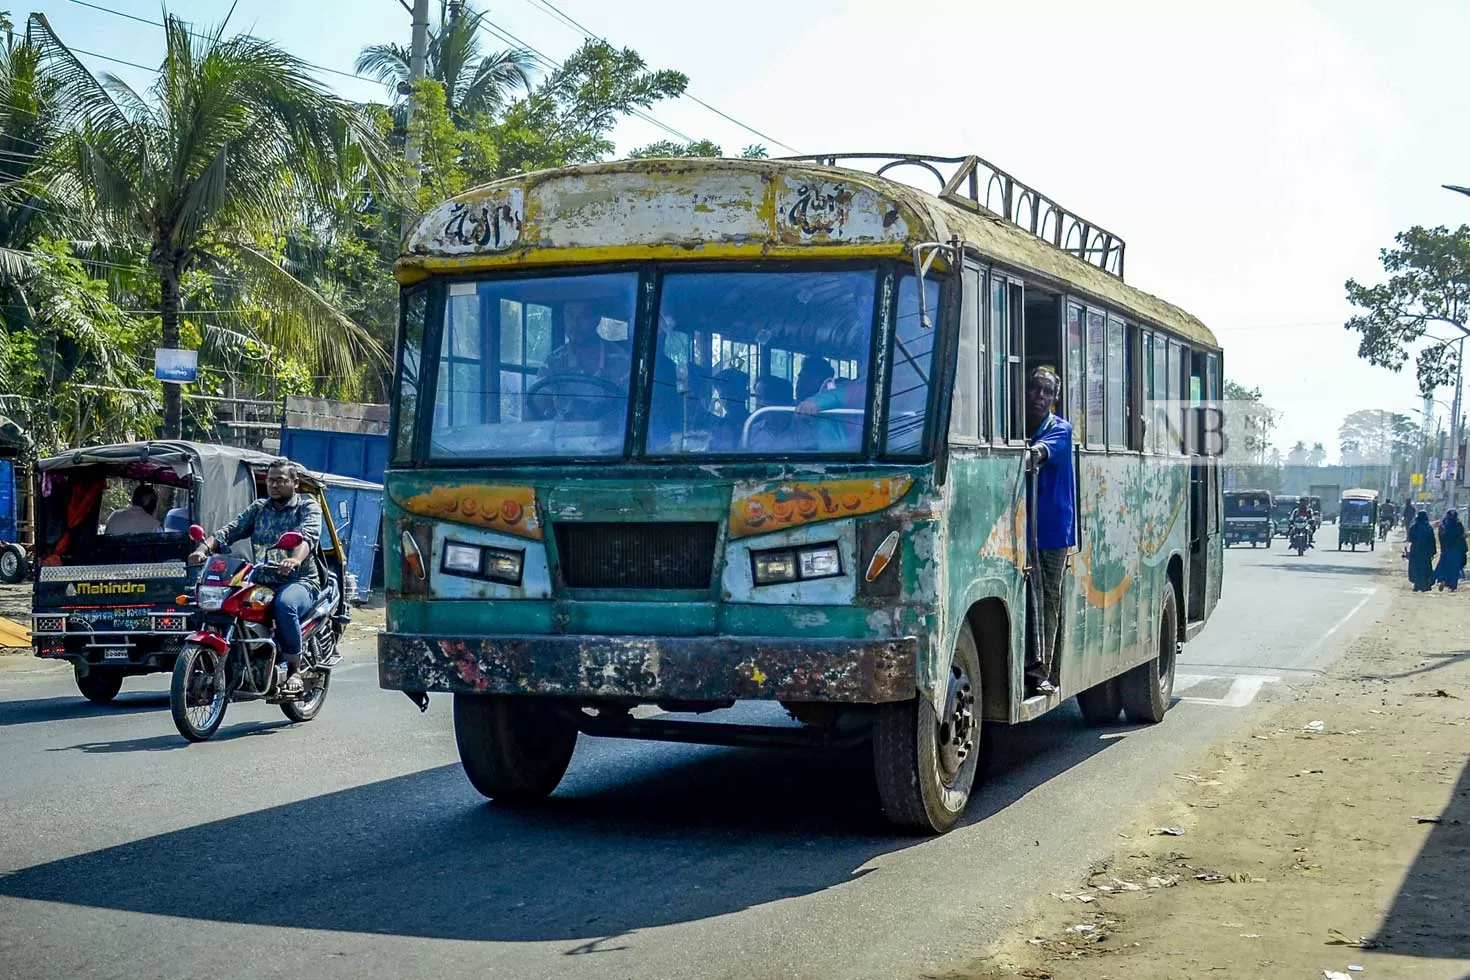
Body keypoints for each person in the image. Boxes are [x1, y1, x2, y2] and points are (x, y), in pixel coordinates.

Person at [186, 459, 322, 694]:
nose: (274, 485)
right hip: (262, 579)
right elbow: (229, 531)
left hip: (298, 580)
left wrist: (295, 559)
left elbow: (306, 538)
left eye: (280, 480)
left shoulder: (307, 507)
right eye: (271, 481)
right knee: (227, 602)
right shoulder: (259, 509)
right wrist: (203, 550)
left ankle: (294, 670)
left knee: (284, 605)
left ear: (295, 483)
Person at [1023, 366, 1075, 697]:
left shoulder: (1059, 429)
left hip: (1053, 530)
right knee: (1030, 597)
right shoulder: (1017, 426)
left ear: (1055, 399)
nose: (1040, 396)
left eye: (1047, 392)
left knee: (1049, 598)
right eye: (1035, 389)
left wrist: (1025, 455)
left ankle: (1045, 671)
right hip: (1023, 528)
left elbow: (1037, 455)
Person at [539, 300, 631, 387]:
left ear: (597, 320)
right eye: (570, 315)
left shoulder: (622, 361)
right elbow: (539, 399)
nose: (575, 324)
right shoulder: (552, 363)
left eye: (584, 316)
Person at [1435, 509, 1467, 591]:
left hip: (1446, 549)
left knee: (1445, 567)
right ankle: (1452, 585)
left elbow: (1441, 537)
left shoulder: (1443, 524)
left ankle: (1444, 581)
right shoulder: (1458, 524)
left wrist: (1443, 547)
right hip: (1456, 550)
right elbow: (1461, 537)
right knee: (1454, 569)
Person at [1407, 510, 1437, 592]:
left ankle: (1417, 585)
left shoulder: (1414, 527)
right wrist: (1433, 552)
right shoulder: (1429, 528)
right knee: (1425, 568)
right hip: (1426, 552)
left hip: (1416, 551)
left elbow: (1410, 539)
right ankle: (1425, 585)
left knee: (1416, 568)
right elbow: (1432, 541)